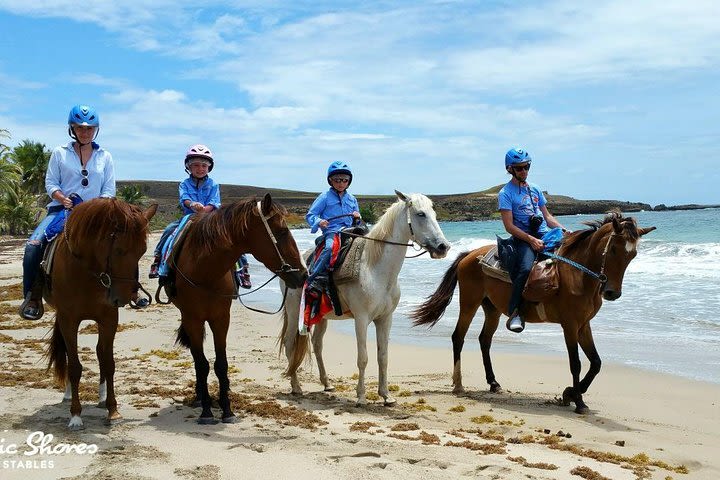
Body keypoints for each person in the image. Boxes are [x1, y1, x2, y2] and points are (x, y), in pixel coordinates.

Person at [19, 104, 115, 320]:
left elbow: (109, 190)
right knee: (33, 246)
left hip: (95, 214)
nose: (85, 132)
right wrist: (63, 198)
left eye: (90, 128)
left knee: (124, 243)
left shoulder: (105, 156)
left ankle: (132, 291)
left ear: (96, 130)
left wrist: (94, 207)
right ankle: (33, 296)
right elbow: (51, 183)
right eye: (80, 128)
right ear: (72, 129)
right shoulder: (59, 153)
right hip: (63, 210)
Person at [148, 144, 251, 288]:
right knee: (170, 230)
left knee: (232, 238)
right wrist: (192, 205)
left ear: (209, 167)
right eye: (196, 165)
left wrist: (205, 209)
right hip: (190, 217)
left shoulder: (213, 184)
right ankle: (159, 261)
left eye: (204, 165)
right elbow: (184, 199)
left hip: (211, 218)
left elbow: (215, 202)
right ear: (188, 167)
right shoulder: (184, 184)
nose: (200, 168)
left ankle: (243, 270)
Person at [498, 147, 567, 333]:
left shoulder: (535, 189)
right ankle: (515, 312)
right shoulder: (505, 194)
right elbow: (509, 226)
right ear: (510, 169)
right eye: (519, 168)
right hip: (523, 238)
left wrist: (565, 231)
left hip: (544, 234)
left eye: (527, 167)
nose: (524, 171)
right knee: (525, 269)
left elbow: (547, 217)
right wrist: (531, 240)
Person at [305, 161, 361, 293]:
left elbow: (358, 221)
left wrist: (357, 217)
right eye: (337, 180)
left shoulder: (352, 199)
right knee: (330, 248)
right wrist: (319, 221)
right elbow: (310, 215)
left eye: (344, 180)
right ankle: (315, 278)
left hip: (351, 231)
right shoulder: (324, 197)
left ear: (349, 181)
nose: (341, 183)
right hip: (332, 232)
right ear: (331, 180)